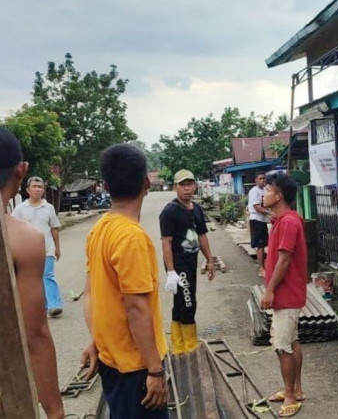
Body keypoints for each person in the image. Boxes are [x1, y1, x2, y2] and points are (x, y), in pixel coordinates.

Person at [81, 144, 169, 418]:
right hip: (136, 369)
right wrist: (154, 369)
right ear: (147, 182)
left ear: (106, 186)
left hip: (112, 361)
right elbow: (136, 309)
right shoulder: (131, 238)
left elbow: (90, 294)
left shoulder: (101, 229)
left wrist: (96, 340)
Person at [0, 128, 64, 418]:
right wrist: (55, 411)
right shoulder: (21, 238)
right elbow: (34, 336)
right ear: (21, 171)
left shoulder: (43, 214)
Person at [260, 172, 307, 418]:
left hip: (286, 294)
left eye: (268, 190)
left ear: (278, 196)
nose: (264, 193)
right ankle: (296, 389)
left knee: (282, 346)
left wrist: (269, 290)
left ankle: (290, 395)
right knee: (292, 341)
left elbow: (284, 260)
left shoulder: (288, 222)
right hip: (289, 293)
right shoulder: (284, 220)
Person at [159, 169, 215, 355]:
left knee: (181, 303)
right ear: (175, 187)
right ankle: (189, 346)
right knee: (188, 303)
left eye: (190, 184)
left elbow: (202, 236)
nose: (187, 189)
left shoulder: (197, 209)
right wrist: (171, 271)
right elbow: (166, 243)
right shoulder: (169, 212)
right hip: (179, 264)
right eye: (182, 185)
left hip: (192, 261)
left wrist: (210, 260)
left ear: (195, 186)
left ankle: (178, 346)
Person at [13, 176, 63, 317]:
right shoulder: (20, 209)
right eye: (34, 186)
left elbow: (54, 228)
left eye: (39, 187)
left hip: (47, 248)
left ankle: (55, 305)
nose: (37, 189)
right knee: (35, 279)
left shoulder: (48, 207)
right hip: (28, 251)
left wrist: (57, 248)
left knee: (48, 276)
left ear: (43, 190)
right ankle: (43, 306)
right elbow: (13, 228)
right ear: (28, 189)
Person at [248, 172, 271, 277]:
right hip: (256, 219)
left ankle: (266, 265)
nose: (263, 180)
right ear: (256, 180)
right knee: (260, 245)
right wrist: (270, 213)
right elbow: (257, 207)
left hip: (263, 220)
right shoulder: (254, 191)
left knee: (266, 243)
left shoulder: (265, 190)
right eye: (260, 178)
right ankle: (261, 268)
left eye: (264, 178)